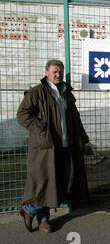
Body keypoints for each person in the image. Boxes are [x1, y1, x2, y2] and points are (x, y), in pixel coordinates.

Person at [16, 59, 90, 233]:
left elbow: (75, 118)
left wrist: (83, 138)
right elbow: (22, 115)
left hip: (65, 146)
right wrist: (41, 129)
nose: (58, 75)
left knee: (58, 182)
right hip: (46, 146)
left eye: (60, 72)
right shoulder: (37, 92)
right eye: (55, 72)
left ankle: (43, 220)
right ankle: (31, 211)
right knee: (44, 182)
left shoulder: (66, 93)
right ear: (46, 73)